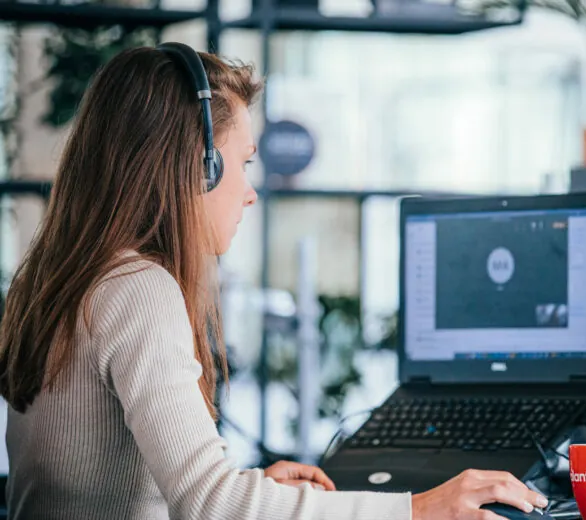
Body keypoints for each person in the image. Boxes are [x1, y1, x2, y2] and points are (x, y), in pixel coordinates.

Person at [0, 45, 547, 519]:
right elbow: (210, 505)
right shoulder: (138, 288)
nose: (249, 192)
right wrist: (417, 509)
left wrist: (257, 493)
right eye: (244, 162)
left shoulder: (62, 282)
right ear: (199, 167)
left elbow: (109, 497)